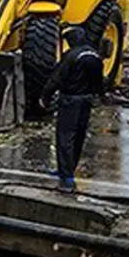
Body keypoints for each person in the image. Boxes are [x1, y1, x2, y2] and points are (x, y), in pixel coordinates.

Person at [41, 25, 105, 192]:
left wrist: (45, 97)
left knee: (65, 137)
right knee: (79, 136)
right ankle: (68, 168)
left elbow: (57, 78)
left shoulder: (71, 56)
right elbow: (100, 82)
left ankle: (66, 177)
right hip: (87, 100)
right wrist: (100, 97)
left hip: (70, 101)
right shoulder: (95, 55)